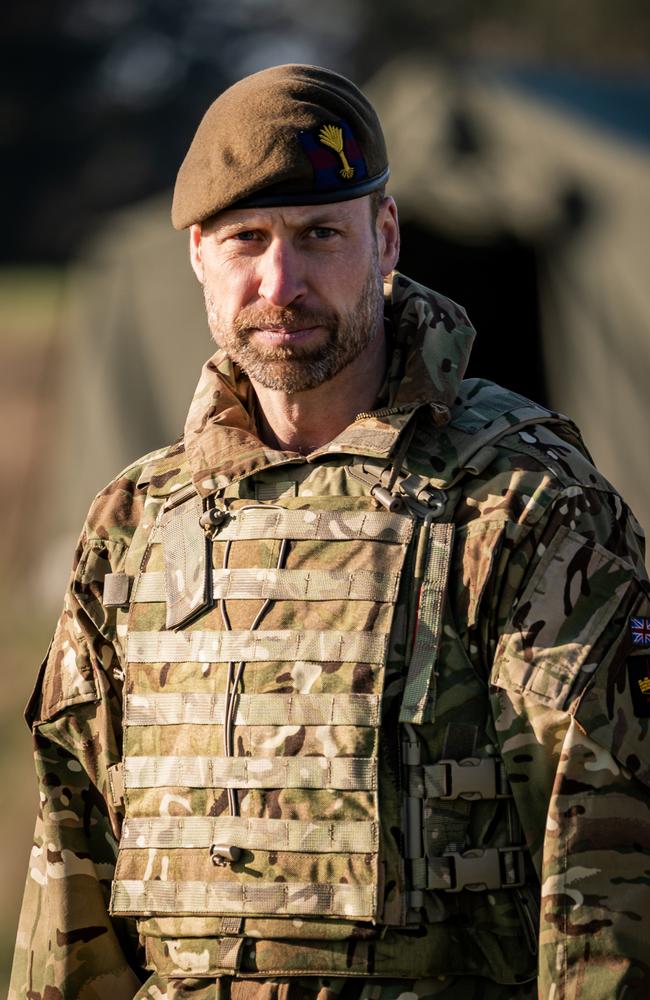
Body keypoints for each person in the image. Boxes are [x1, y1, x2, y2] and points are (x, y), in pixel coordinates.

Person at [9, 64, 650, 1000]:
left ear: (384, 237)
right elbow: (71, 868)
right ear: (199, 256)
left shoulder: (522, 502)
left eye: (319, 236)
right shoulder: (134, 523)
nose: (282, 282)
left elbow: (611, 864)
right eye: (246, 240)